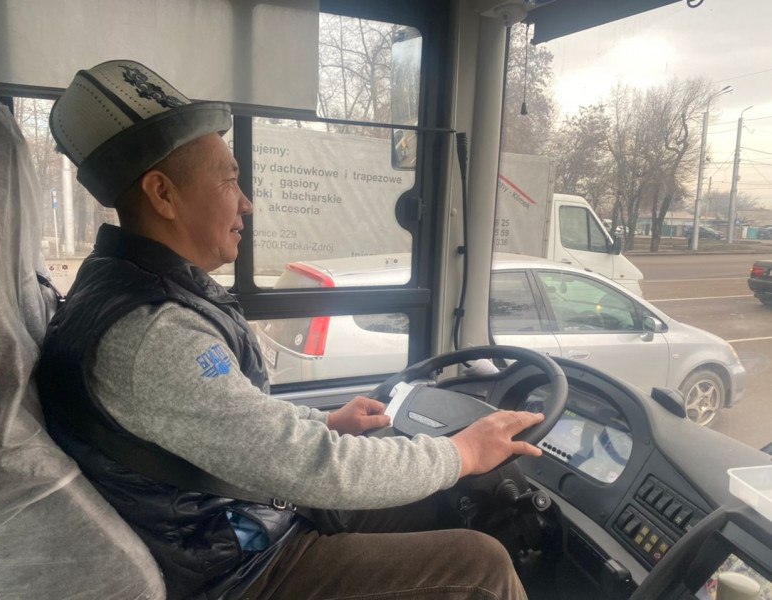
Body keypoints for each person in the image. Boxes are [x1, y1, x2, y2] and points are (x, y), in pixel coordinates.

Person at [37, 60, 544, 600]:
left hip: (236, 524)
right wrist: (462, 454)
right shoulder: (153, 332)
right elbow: (303, 464)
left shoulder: (129, 287)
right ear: (163, 194)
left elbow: (235, 420)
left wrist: (325, 421)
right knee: (480, 567)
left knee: (434, 502)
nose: (246, 202)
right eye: (229, 179)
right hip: (240, 571)